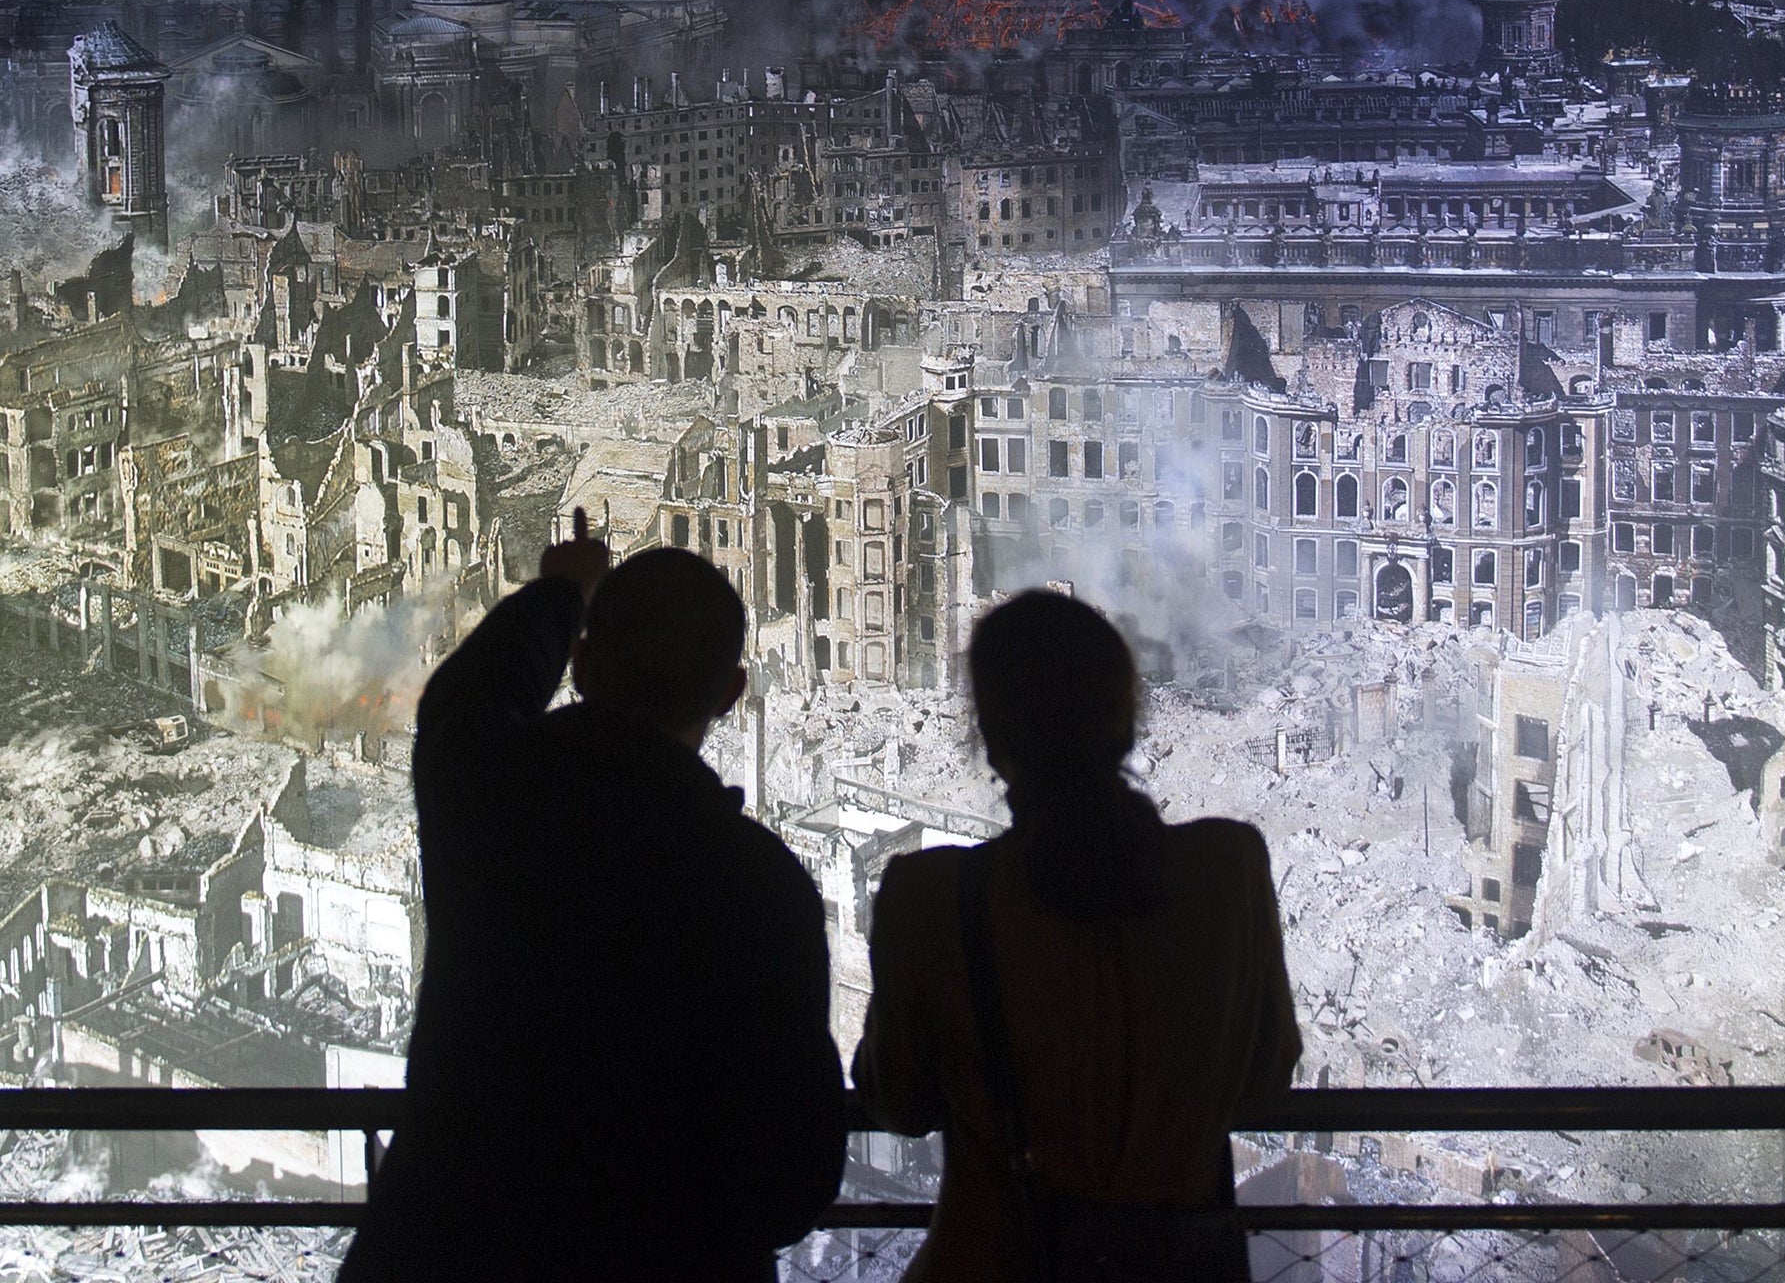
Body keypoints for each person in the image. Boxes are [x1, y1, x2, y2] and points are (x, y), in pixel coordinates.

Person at [339, 510, 847, 1283]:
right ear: (731, 693)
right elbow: (790, 1186)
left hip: (451, 1254)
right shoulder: (760, 886)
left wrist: (564, 590)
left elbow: (470, 697)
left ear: (579, 666)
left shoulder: (488, 796)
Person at [853, 590, 1301, 1283]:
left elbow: (899, 1102)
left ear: (994, 740)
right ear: (1125, 719)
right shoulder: (1230, 872)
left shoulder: (930, 898)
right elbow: (1265, 1080)